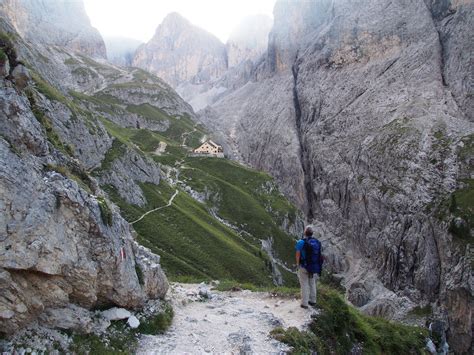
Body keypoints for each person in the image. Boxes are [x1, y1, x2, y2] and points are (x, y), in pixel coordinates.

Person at [295, 225, 323, 309]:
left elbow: (297, 255)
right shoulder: (317, 242)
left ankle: (304, 303)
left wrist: (297, 264)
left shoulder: (301, 242)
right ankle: (313, 301)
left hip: (304, 266)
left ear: (305, 233)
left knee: (304, 284)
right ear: (312, 233)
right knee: (312, 283)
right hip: (314, 266)